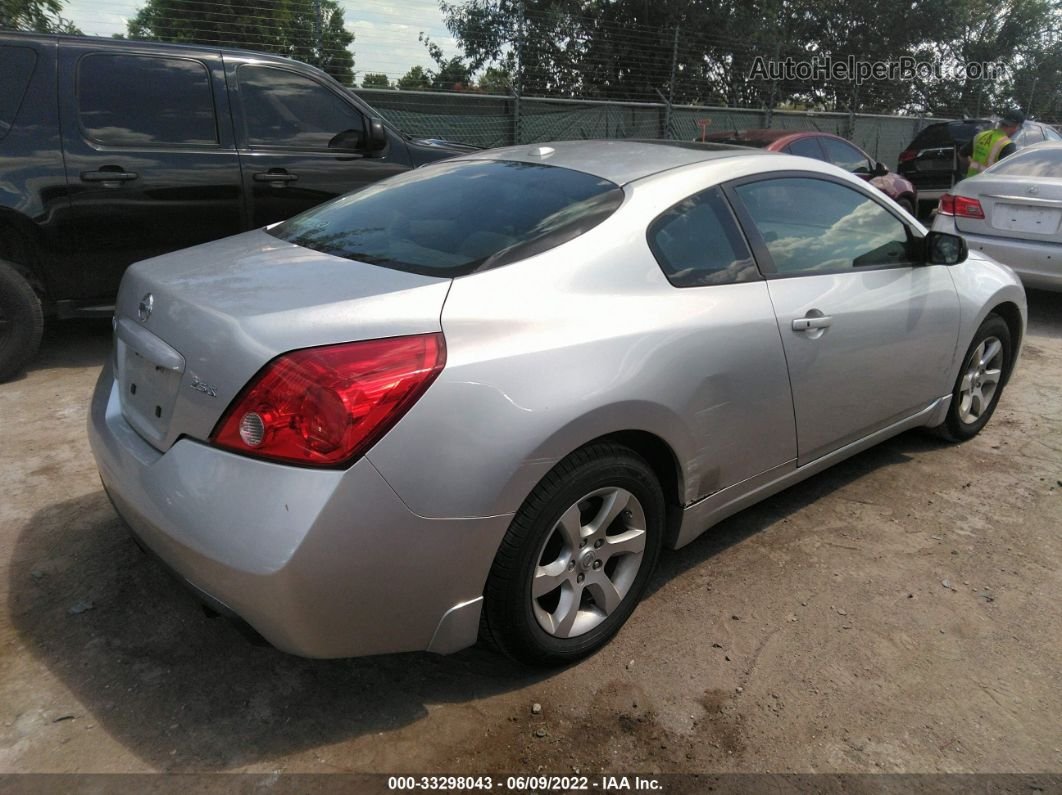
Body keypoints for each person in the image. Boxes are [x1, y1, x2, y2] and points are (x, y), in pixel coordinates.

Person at [962, 110, 1024, 177]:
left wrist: (972, 166)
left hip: (969, 182)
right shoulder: (1008, 145)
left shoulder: (980, 135)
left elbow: (961, 155)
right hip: (988, 185)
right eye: (1019, 128)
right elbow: (1006, 173)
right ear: (1016, 126)